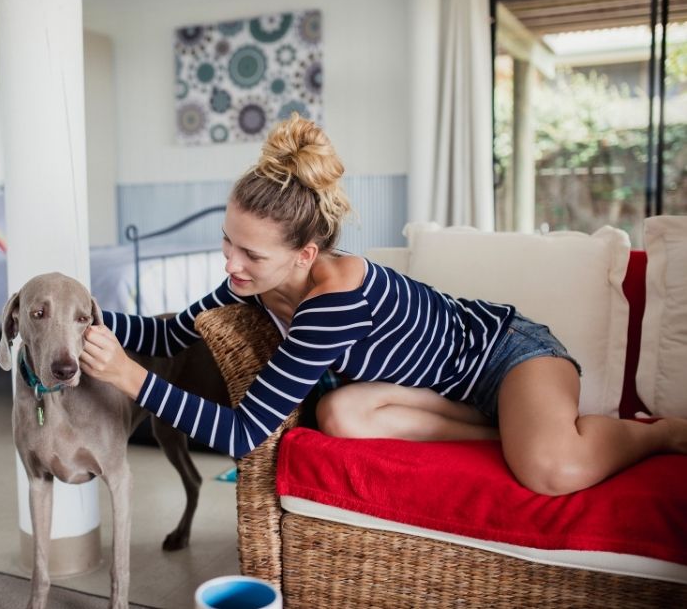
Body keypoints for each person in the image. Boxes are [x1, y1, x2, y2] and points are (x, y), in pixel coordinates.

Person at [80, 113, 686, 496]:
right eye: (227, 243)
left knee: (550, 469)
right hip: (444, 399)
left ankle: (652, 436)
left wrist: (128, 378)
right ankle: (501, 432)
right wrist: (90, 320)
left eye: (251, 256)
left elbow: (244, 435)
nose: (231, 265)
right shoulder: (254, 285)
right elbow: (172, 335)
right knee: (340, 415)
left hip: (506, 355)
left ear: (304, 254)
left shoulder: (329, 304)